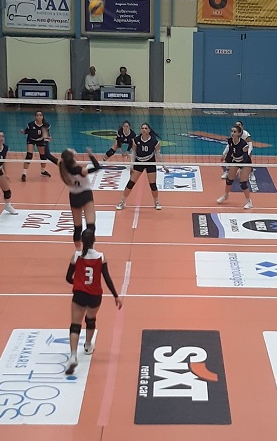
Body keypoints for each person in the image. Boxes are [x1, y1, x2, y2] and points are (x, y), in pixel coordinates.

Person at [64, 229, 122, 375]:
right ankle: (88, 345)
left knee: (75, 325)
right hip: (95, 296)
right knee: (90, 320)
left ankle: (73, 356)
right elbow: (107, 278)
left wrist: (78, 283)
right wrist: (116, 296)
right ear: (94, 240)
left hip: (79, 295)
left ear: (82, 241)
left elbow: (68, 277)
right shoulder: (100, 257)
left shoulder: (76, 256)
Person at [58, 148, 102, 250]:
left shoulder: (63, 167)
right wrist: (91, 155)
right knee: (91, 225)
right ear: (73, 157)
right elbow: (97, 167)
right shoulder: (80, 171)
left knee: (77, 228)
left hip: (74, 197)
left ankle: (78, 251)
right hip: (85, 195)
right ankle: (90, 250)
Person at [115, 123, 162, 211]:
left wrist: (163, 165)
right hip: (139, 162)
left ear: (149, 130)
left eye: (146, 128)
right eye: (142, 128)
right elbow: (133, 153)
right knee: (130, 183)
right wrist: (131, 165)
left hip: (150, 163)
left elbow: (158, 154)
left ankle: (156, 202)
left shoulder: (154, 142)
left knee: (153, 185)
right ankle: (122, 201)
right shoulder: (136, 140)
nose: (144, 130)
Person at [216, 125, 253, 209]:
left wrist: (241, 168)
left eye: (235, 132)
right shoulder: (230, 141)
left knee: (243, 183)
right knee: (229, 180)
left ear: (239, 133)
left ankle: (249, 201)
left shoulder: (244, 144)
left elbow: (246, 157)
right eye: (232, 131)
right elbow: (230, 153)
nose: (232, 133)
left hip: (245, 163)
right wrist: (226, 162)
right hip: (236, 161)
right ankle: (226, 195)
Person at [19, 110, 57, 181]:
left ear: (43, 117)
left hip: (40, 140)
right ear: (35, 117)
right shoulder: (30, 124)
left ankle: (43, 171)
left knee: (43, 156)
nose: (39, 117)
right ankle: (24, 174)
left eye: (40, 115)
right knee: (29, 155)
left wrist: (48, 137)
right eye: (37, 115)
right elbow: (26, 131)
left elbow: (46, 134)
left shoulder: (46, 125)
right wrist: (23, 132)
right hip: (31, 139)